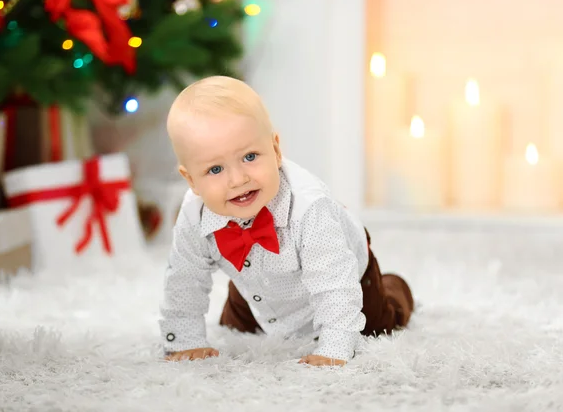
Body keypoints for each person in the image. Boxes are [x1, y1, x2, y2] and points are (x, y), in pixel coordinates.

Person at [159, 76, 414, 366]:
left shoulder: (309, 209)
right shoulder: (194, 215)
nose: (238, 179)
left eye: (250, 156)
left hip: (345, 275)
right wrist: (184, 342)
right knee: (236, 328)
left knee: (378, 324)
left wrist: (334, 349)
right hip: (256, 283)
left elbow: (335, 286)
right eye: (215, 169)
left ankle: (394, 286)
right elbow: (183, 280)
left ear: (276, 150)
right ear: (191, 179)